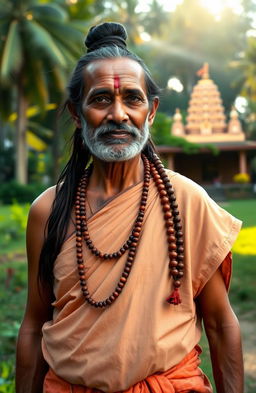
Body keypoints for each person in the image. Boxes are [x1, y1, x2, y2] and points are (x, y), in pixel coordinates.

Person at [16, 22, 244, 393]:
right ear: (77, 113)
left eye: (132, 99)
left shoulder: (185, 201)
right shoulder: (49, 209)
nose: (118, 114)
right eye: (101, 99)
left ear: (151, 112)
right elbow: (32, 324)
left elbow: (220, 324)